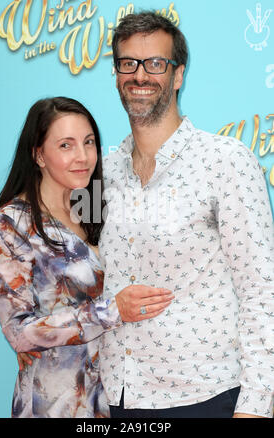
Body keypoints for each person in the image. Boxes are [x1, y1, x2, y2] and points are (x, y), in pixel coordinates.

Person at [97, 12, 274, 418]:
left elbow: (261, 293)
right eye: (129, 63)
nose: (140, 76)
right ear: (117, 73)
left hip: (205, 398)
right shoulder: (101, 175)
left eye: (156, 64)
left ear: (178, 76)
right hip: (117, 398)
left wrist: (256, 407)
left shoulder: (225, 162)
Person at [0, 96, 174, 418]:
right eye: (66, 146)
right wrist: (111, 311)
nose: (83, 157)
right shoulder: (13, 223)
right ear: (38, 154)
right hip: (56, 403)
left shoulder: (98, 207)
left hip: (119, 396)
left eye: (89, 142)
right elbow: (19, 331)